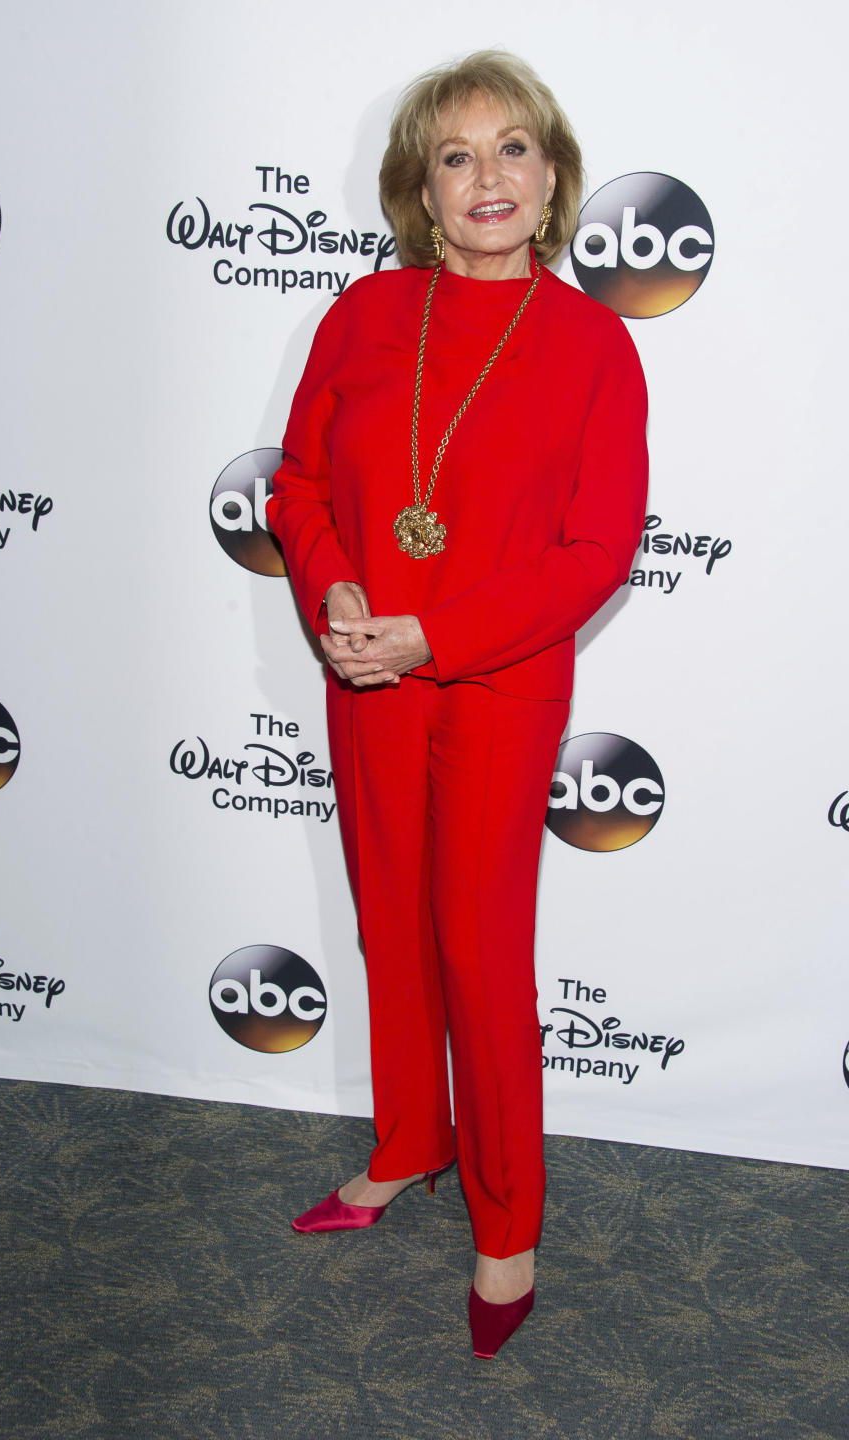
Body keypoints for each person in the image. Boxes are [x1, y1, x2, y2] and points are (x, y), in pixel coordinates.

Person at [267, 49, 648, 1360]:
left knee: (480, 948)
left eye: (513, 149)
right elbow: (298, 485)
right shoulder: (365, 317)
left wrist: (436, 631)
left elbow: (596, 552)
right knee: (391, 917)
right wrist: (336, 598)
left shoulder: (596, 345)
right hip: (366, 668)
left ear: (552, 183)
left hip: (497, 682)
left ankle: (506, 1221)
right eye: (455, 154)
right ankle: (409, 1143)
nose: (487, 175)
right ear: (423, 196)